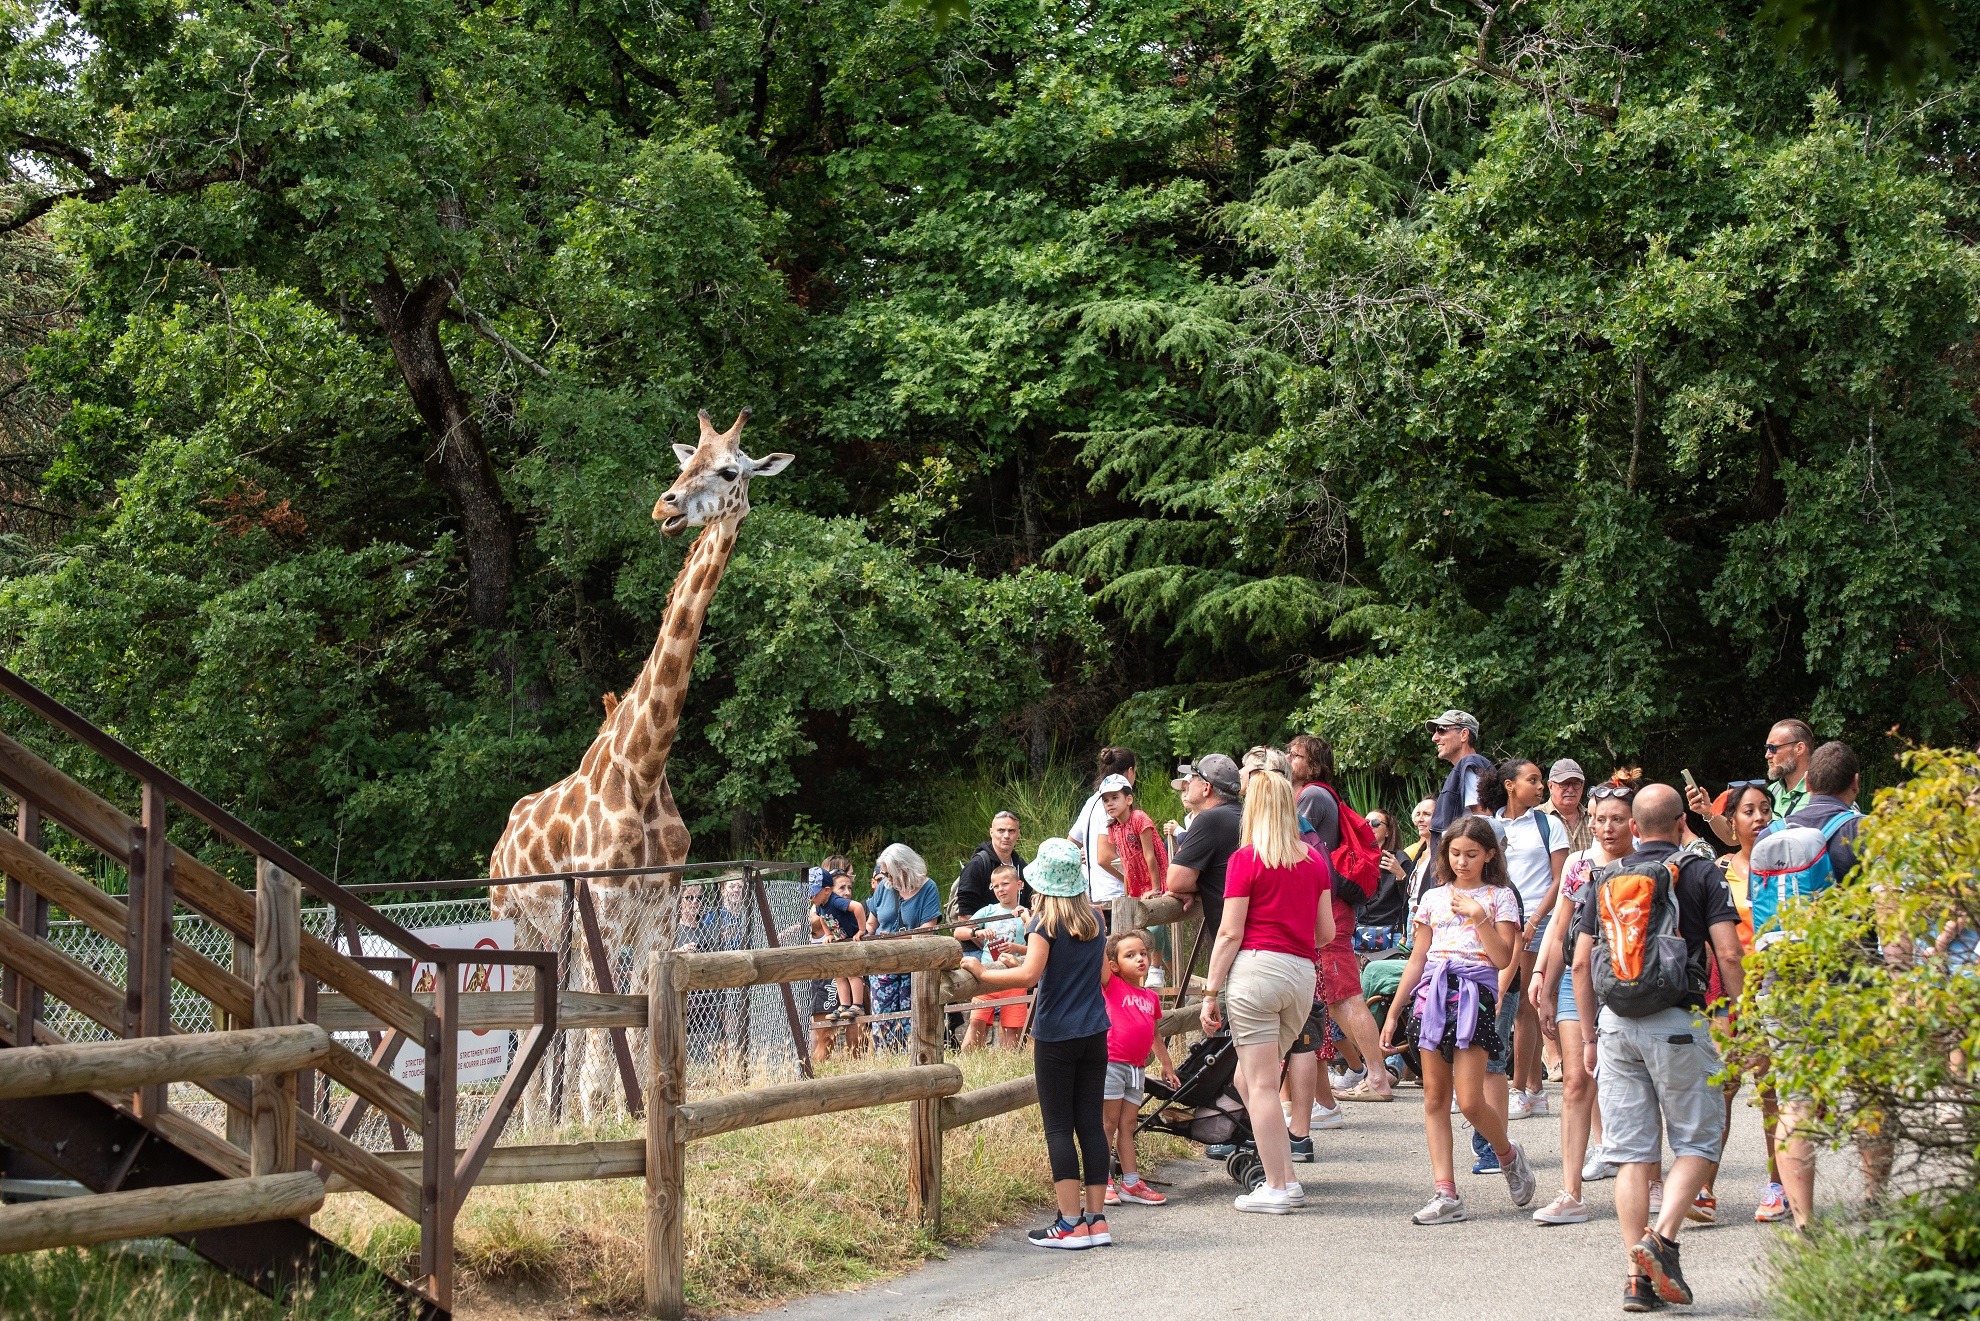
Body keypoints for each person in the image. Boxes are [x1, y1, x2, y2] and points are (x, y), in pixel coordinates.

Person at [1570, 784, 1745, 1312]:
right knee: (1699, 1140)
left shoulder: (1602, 877)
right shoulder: (1700, 870)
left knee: (1631, 1157)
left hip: (1616, 1024)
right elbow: (1730, 954)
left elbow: (1580, 964)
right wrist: (1743, 1014)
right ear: (1680, 823)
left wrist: (1589, 1035)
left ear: (1637, 828)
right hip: (1678, 1021)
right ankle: (1661, 1239)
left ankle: (1636, 1280)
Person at [1379, 816, 1538, 1223]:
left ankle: (1507, 1154)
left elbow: (1505, 958)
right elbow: (1417, 958)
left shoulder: (1500, 897)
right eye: (1454, 854)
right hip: (1432, 996)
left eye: (1471, 854)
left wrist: (1479, 916)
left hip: (1475, 998)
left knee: (1469, 1100)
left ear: (1489, 854)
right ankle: (1445, 1193)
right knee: (1434, 1097)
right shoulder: (1432, 898)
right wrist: (1394, 1012)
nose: (1462, 862)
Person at [968, 838, 1114, 1249]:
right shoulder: (1095, 921)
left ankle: (1068, 1223)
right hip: (1094, 1032)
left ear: (1042, 885)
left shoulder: (1043, 923)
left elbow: (1028, 976)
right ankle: (1096, 1220)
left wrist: (981, 972)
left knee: (1057, 1127)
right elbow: (1101, 975)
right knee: (1090, 1123)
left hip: (1056, 1035)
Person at [1198, 768, 1334, 1214]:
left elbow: (1229, 933)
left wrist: (1210, 991)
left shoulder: (1246, 859)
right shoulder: (1314, 861)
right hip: (1300, 973)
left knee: (1258, 1082)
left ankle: (1279, 1184)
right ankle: (1283, 1177)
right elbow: (1325, 932)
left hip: (1257, 970)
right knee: (1250, 1077)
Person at [1771, 740, 1884, 1232]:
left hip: (1785, 979)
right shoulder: (1861, 831)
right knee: (1869, 1092)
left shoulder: (1776, 831)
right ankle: (1874, 1199)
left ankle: (1803, 1217)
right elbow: (1889, 916)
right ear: (1855, 785)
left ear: (1809, 784)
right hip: (1851, 980)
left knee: (1796, 1097)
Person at [1530, 776, 1636, 1224]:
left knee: (1635, 1083)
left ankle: (1644, 1179)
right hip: (1579, 981)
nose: (1606, 828)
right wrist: (1542, 978)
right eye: (1598, 820)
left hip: (1634, 979)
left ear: (1633, 822)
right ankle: (1570, 1192)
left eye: (1615, 819)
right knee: (1577, 1081)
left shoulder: (1650, 862)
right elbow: (1560, 927)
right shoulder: (1577, 864)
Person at [1283, 735, 1396, 1104]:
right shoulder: (1316, 794)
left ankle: (1377, 1077)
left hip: (1329, 907)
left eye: (1296, 755)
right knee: (1335, 997)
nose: (1289, 759)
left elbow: (1290, 844)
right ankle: (1370, 1072)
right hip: (1329, 905)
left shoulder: (1312, 796)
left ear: (1314, 764)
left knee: (1345, 995)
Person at [1697, 780, 1780, 1225]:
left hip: (1773, 994)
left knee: (1771, 1093)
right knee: (1721, 1095)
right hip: (1727, 998)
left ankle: (1777, 1185)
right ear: (1731, 823)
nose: (1760, 817)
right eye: (1750, 811)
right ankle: (1705, 1187)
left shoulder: (1784, 869)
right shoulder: (1719, 871)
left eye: (1765, 809)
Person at [1487, 758, 1569, 1121]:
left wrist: (1534, 920)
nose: (1540, 787)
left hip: (1539, 920)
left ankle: (1518, 1088)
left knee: (1522, 1005)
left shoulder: (1550, 824)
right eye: (1533, 780)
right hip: (1498, 920)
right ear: (1509, 785)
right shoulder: (1488, 824)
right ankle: (1534, 1090)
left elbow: (1561, 879)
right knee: (1517, 1004)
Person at [1101, 929, 1177, 1207]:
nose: (1140, 959)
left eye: (1143, 953)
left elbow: (1155, 1035)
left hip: (1137, 1069)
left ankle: (1130, 1184)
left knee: (1128, 1125)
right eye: (1130, 955)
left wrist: (1167, 1065)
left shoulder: (1150, 998)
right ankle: (1101, 1181)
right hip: (1112, 1064)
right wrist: (1099, 930)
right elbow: (1098, 960)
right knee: (1107, 1124)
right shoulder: (1111, 986)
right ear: (1114, 966)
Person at [1094, 771, 1170, 984]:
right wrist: (1127, 889)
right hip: (1136, 884)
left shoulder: (1139, 818)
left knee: (1154, 922)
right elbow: (1126, 861)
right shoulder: (1114, 828)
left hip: (1156, 879)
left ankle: (1155, 969)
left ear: (1129, 799)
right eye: (1106, 800)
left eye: (1115, 798)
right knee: (1153, 931)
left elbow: (1150, 855)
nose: (1110, 804)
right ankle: (1180, 977)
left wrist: (1156, 888)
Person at [865, 843, 941, 1048]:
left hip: (914, 964)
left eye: (891, 874)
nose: (888, 879)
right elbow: (872, 922)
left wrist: (895, 939)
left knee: (913, 1018)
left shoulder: (928, 888)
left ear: (905, 869)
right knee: (882, 1019)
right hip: (883, 963)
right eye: (886, 875)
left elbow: (928, 930)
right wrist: (864, 936)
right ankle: (885, 1059)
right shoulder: (884, 887)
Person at [1695, 718, 1816, 845]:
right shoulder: (1771, 791)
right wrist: (1708, 811)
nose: (1767, 755)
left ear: (1799, 748)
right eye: (1767, 749)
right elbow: (1734, 838)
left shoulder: (1821, 791)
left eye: (1773, 748)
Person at [1164, 754, 1243, 945]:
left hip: (1235, 943)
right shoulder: (1246, 813)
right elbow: (1227, 875)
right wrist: (1209, 884)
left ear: (1206, 788)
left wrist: (1199, 886)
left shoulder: (1210, 820)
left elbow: (1176, 880)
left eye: (1193, 778)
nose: (1187, 783)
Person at [956, 863, 1031, 1050]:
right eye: (995, 886)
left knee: (1011, 1033)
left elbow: (1036, 949)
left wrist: (1016, 947)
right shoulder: (988, 911)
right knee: (976, 1025)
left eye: (1005, 884)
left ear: (1019, 885)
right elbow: (958, 932)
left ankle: (1009, 1068)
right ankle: (968, 1066)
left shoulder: (1026, 914)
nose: (1000, 889)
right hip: (986, 975)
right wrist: (977, 933)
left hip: (1014, 976)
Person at [1068, 747, 1138, 908]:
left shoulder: (1092, 801)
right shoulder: (1113, 804)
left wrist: (1084, 854)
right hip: (1115, 895)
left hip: (1094, 894)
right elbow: (1104, 857)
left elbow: (1071, 843)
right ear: (1130, 771)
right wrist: (1135, 880)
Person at [1426, 709, 1493, 855]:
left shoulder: (1469, 767)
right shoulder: (1465, 769)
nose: (1435, 738)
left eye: (1441, 730)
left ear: (1464, 735)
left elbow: (1483, 819)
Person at [954, 811, 1030, 916]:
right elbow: (965, 914)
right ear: (991, 832)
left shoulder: (1021, 866)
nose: (1006, 836)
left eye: (1011, 831)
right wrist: (979, 932)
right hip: (985, 930)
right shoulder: (977, 865)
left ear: (1018, 833)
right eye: (1001, 830)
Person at [1356, 809, 1412, 947]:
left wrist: (1400, 874)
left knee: (1378, 968)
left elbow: (1411, 898)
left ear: (1387, 832)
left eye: (1375, 823)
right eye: (1365, 822)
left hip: (1389, 930)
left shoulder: (1399, 859)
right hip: (1357, 929)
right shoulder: (1356, 857)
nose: (1369, 826)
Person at [1541, 758, 1593, 852]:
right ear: (1550, 786)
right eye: (1564, 784)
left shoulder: (1594, 819)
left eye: (1576, 784)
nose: (1571, 789)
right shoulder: (1537, 818)